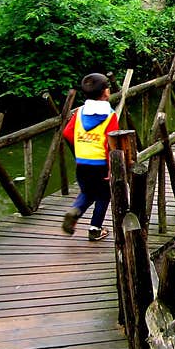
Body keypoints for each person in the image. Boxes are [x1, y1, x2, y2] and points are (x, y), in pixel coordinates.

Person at [61, 73, 119, 241]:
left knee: (87, 191)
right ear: (106, 92)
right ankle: (95, 229)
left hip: (82, 162)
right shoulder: (109, 115)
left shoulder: (79, 112)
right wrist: (111, 168)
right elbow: (112, 144)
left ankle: (75, 210)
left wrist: (79, 149)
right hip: (100, 163)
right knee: (103, 195)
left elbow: (67, 133)